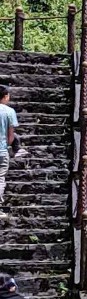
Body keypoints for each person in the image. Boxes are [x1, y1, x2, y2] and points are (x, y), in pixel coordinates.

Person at [0, 84, 16, 214]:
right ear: (5, 97)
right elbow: (11, 135)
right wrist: (9, 145)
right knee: (0, 178)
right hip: (2, 150)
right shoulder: (9, 111)